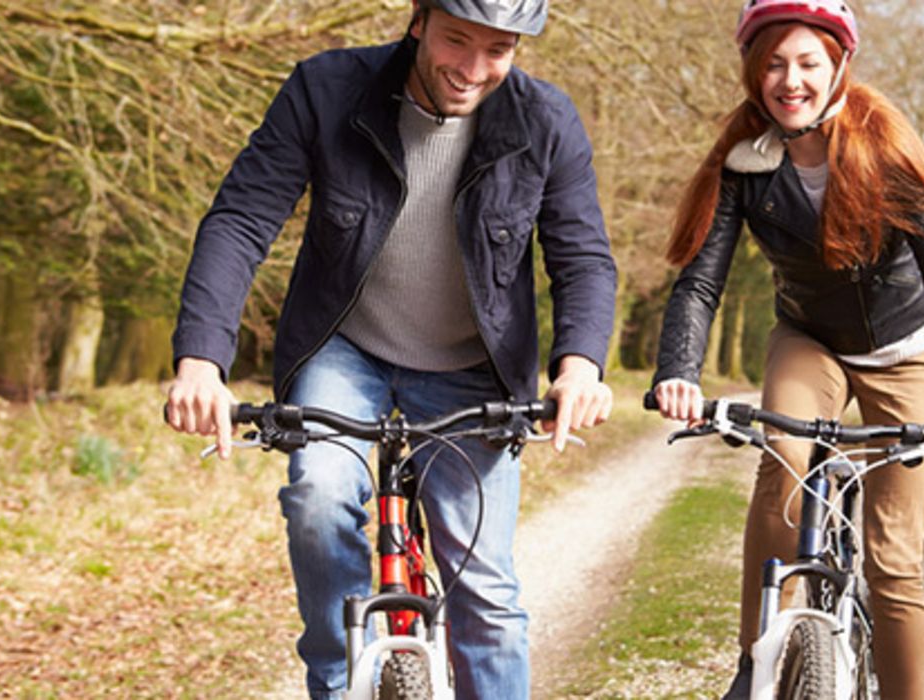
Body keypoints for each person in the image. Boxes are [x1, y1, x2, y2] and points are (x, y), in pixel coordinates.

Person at [163, 0, 617, 697]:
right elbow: (242, 219)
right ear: (418, 20)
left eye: (497, 50)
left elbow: (582, 258)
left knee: (485, 591)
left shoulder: (546, 121)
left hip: (473, 369)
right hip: (345, 349)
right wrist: (201, 359)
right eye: (456, 40)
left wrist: (579, 367)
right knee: (318, 496)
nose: (471, 69)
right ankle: (338, 676)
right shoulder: (325, 89)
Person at [650, 2, 924, 698]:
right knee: (783, 461)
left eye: (808, 63)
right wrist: (678, 373)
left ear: (838, 66)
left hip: (908, 352)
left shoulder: (889, 151)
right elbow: (699, 282)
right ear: (755, 71)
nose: (790, 80)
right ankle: (756, 661)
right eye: (775, 63)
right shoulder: (744, 162)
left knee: (893, 559)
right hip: (809, 340)